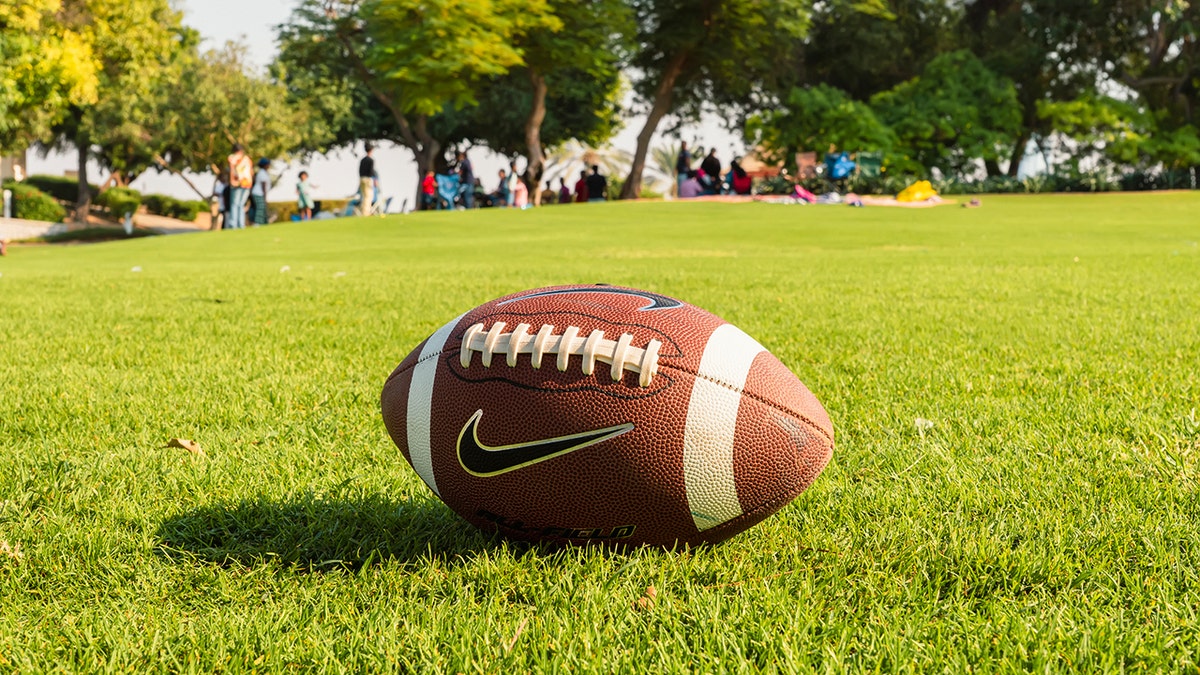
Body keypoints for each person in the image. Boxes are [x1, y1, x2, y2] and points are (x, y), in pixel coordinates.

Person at [226, 143, 252, 229]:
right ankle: (241, 224)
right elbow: (251, 171)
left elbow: (232, 170)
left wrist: (231, 181)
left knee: (235, 204)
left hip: (237, 182)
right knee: (241, 204)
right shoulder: (247, 158)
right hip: (247, 183)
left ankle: (233, 225)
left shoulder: (232, 158)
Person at [250, 158, 271, 226]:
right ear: (265, 165)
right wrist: (265, 197)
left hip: (259, 193)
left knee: (263, 208)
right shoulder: (262, 173)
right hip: (259, 193)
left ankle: (265, 223)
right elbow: (263, 186)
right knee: (260, 208)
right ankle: (257, 223)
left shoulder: (263, 172)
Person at [357, 143, 375, 216]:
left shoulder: (362, 160)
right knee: (368, 196)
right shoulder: (371, 160)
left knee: (364, 196)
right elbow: (371, 171)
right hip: (367, 179)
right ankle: (365, 213)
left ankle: (364, 211)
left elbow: (359, 170)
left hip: (361, 179)